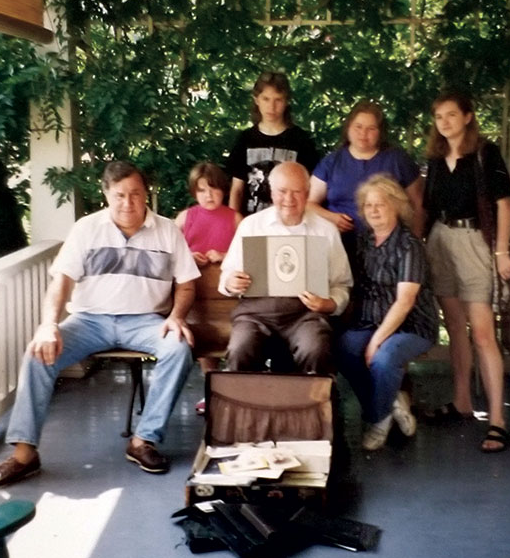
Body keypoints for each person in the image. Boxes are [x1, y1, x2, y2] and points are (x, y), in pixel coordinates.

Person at [0, 161, 200, 490]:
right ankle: (25, 454)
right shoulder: (87, 229)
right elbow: (62, 282)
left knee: (178, 349)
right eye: (119, 195)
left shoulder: (168, 230)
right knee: (37, 354)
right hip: (90, 320)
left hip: (145, 321)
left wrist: (176, 316)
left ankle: (143, 441)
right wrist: (48, 325)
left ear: (146, 194)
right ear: (106, 194)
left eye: (135, 194)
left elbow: (186, 284)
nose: (128, 203)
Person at [423, 90, 510, 453]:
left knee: (482, 334)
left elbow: (503, 204)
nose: (444, 122)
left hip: (475, 241)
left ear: (467, 116)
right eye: (439, 116)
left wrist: (501, 251)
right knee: (455, 329)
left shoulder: (484, 153)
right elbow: (428, 208)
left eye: (451, 114)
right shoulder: (435, 157)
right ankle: (461, 401)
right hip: (440, 241)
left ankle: (497, 419)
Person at [219, 161, 353, 374]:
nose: (289, 199)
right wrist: (230, 282)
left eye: (297, 192)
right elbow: (227, 274)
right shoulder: (252, 225)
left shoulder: (326, 230)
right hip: (255, 314)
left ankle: (313, 406)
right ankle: (244, 406)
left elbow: (342, 284)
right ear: (271, 192)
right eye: (282, 191)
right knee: (239, 348)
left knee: (315, 348)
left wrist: (330, 304)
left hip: (305, 315)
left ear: (308, 193)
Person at [338, 175, 438, 451]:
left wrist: (375, 341)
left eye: (380, 204)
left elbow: (405, 301)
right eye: (368, 205)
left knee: (384, 358)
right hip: (369, 320)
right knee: (344, 349)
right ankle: (391, 401)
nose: (373, 210)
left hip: (411, 325)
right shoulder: (364, 240)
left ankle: (377, 420)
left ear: (396, 206)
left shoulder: (409, 245)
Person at [308, 100, 424, 247]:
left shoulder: (398, 160)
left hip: (389, 246)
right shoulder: (331, 162)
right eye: (358, 127)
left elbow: (418, 204)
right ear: (348, 127)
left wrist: (415, 242)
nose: (363, 133)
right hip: (340, 243)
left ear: (380, 132)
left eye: (371, 128)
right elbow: (309, 203)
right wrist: (331, 217)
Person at [175, 161, 242, 413]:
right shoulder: (185, 217)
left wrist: (225, 255)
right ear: (194, 192)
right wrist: (188, 256)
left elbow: (249, 253)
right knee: (202, 335)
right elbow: (168, 252)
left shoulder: (235, 218)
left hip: (228, 298)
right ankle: (210, 388)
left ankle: (229, 390)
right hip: (196, 297)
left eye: (213, 189)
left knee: (233, 336)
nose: (209, 195)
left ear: (223, 190)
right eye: (202, 190)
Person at [226, 71, 319, 216]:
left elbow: (311, 189)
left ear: (287, 101)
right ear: (256, 100)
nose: (272, 106)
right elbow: (237, 189)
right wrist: (233, 225)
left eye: (278, 100)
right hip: (252, 223)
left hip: (290, 222)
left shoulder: (301, 140)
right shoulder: (245, 139)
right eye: (266, 99)